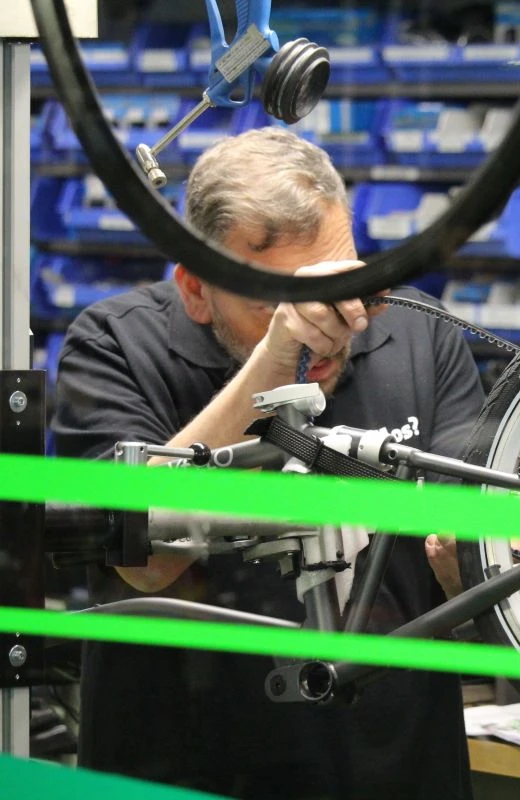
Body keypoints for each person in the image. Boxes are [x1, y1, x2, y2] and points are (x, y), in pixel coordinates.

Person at [52, 127, 483, 798]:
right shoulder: (115, 345)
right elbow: (142, 557)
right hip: (187, 772)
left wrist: (479, 558)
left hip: (397, 773)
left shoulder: (420, 333)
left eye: (341, 283)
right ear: (196, 290)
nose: (328, 329)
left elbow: (476, 548)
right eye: (272, 302)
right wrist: (276, 358)